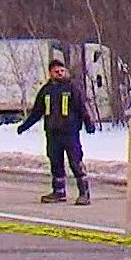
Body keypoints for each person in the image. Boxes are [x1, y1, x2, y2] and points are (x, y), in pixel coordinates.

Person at [16, 59, 96, 205]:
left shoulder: (72, 88)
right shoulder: (46, 91)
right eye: (56, 71)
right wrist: (24, 126)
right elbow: (37, 112)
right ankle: (58, 192)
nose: (59, 73)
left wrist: (88, 123)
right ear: (50, 73)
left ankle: (84, 193)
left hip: (70, 133)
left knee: (75, 162)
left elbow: (82, 108)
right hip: (52, 134)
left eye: (62, 71)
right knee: (55, 162)